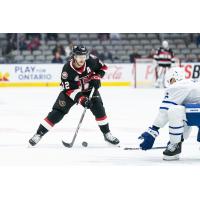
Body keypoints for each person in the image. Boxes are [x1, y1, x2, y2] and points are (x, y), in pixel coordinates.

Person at [29, 45, 120, 146]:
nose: (82, 59)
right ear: (74, 56)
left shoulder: (91, 60)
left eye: (84, 56)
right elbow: (70, 90)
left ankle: (107, 134)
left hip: (89, 90)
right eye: (79, 56)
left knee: (100, 111)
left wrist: (97, 76)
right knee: (56, 113)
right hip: (70, 92)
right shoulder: (67, 70)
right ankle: (39, 134)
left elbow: (103, 67)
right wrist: (82, 100)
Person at [138, 67, 200, 160]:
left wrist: (153, 131)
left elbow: (165, 110)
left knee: (175, 111)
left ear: (174, 78)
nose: (170, 84)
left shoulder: (178, 86)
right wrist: (178, 136)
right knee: (183, 111)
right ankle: (176, 142)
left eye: (170, 81)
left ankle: (175, 145)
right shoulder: (190, 85)